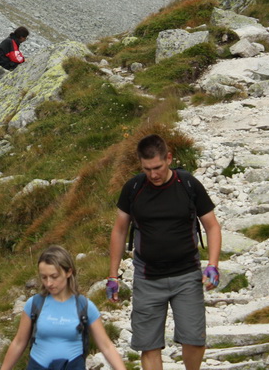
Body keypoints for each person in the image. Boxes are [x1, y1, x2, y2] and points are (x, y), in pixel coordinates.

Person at [107, 135, 222, 370]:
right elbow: (119, 231)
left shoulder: (188, 184)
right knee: (148, 345)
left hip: (187, 275)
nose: (153, 174)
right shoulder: (134, 188)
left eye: (157, 167)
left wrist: (212, 264)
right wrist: (112, 276)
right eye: (147, 169)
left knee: (194, 339)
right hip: (147, 278)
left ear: (168, 158)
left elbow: (212, 225)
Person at [0, 245, 127, 370]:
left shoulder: (85, 306)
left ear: (68, 272)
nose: (49, 283)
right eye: (44, 277)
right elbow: (18, 343)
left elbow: (106, 346)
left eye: (54, 276)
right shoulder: (34, 304)